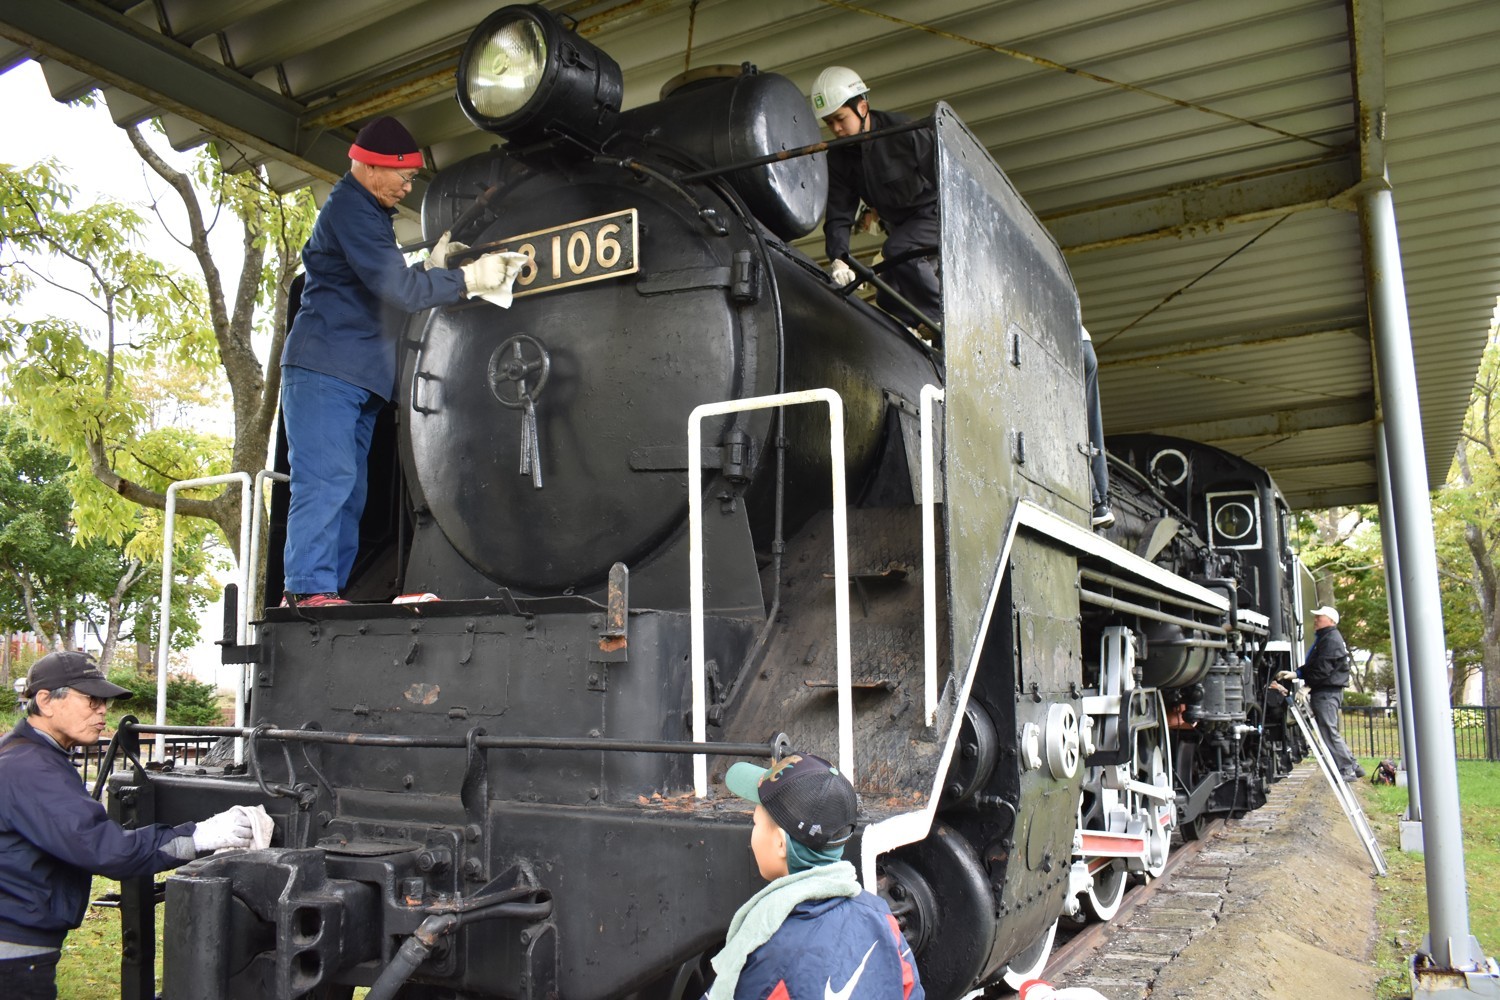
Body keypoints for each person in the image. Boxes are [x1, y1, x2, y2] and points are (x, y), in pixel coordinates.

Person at [280, 115, 525, 607]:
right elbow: (399, 290)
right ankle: (305, 592)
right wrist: (467, 280)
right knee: (326, 481)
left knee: (349, 490)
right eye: (405, 177)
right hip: (327, 369)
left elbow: (381, 283)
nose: (409, 188)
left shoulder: (368, 214)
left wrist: (430, 268)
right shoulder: (352, 209)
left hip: (358, 376)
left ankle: (325, 592)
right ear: (373, 166)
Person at [0, 651, 257, 999]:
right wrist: (201, 836)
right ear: (45, 701)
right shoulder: (31, 768)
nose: (102, 711)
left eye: (104, 702)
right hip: (12, 955)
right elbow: (106, 850)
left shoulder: (23, 755)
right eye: (91, 700)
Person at [705, 752, 923, 1000]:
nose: (753, 834)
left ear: (780, 843)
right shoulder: (881, 918)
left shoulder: (770, 953)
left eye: (756, 823)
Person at [811, 67, 942, 340]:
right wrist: (839, 258)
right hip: (900, 228)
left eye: (840, 119)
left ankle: (943, 320)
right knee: (886, 295)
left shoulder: (904, 131)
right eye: (829, 122)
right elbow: (839, 212)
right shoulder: (839, 158)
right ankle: (925, 329)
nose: (836, 129)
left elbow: (945, 178)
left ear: (862, 107)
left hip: (935, 215)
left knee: (899, 249)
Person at [1301, 605, 1364, 780]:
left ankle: (1347, 769)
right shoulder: (1327, 638)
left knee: (1329, 731)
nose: (1315, 620)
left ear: (1330, 620)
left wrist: (1308, 683)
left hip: (1326, 692)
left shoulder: (1330, 640)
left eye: (1319, 617)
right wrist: (1298, 673)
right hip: (1326, 690)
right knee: (1330, 730)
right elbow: (1318, 665)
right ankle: (1354, 765)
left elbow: (1323, 668)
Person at [1081, 327, 1113, 528]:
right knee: (1091, 417)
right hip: (1085, 344)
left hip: (1066, 343)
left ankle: (1093, 497)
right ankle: (1102, 501)